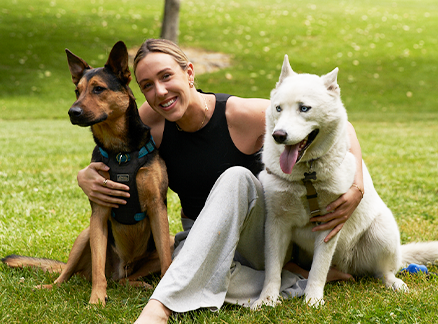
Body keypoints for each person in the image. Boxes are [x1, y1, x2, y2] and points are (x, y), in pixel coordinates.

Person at [77, 39, 364, 323]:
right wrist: (85, 175)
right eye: (147, 85)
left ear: (189, 73)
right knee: (191, 266)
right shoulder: (150, 121)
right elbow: (113, 154)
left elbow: (342, 125)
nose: (160, 91)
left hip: (257, 233)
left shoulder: (238, 114)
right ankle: (296, 280)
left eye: (166, 76)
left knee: (236, 177)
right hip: (200, 235)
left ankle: (160, 307)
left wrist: (357, 186)